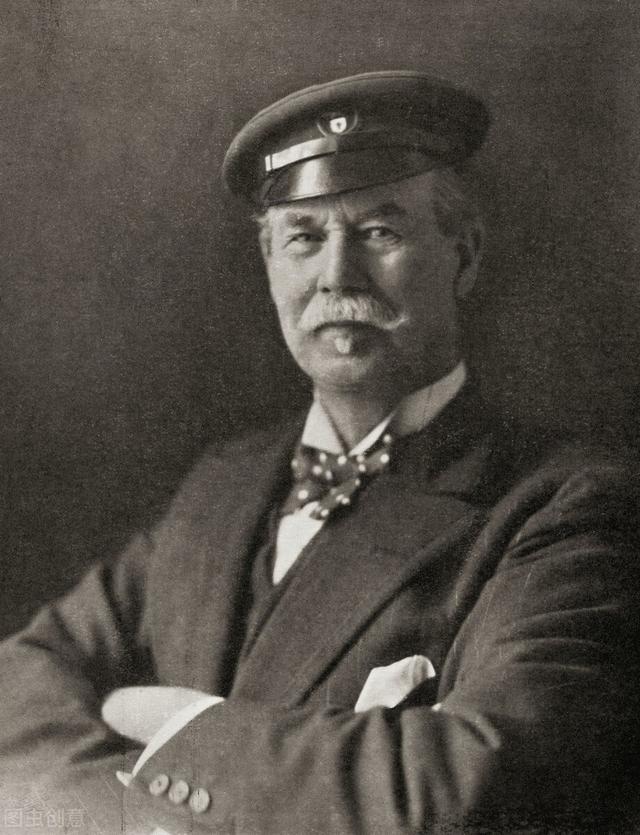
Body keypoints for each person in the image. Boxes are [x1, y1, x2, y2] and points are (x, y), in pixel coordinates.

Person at [0, 70, 638, 835]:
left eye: (379, 232)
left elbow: (486, 778)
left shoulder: (566, 502)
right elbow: (21, 681)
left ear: (463, 255)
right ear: (269, 260)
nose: (337, 275)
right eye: (305, 237)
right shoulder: (222, 485)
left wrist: (181, 731)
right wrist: (129, 819)